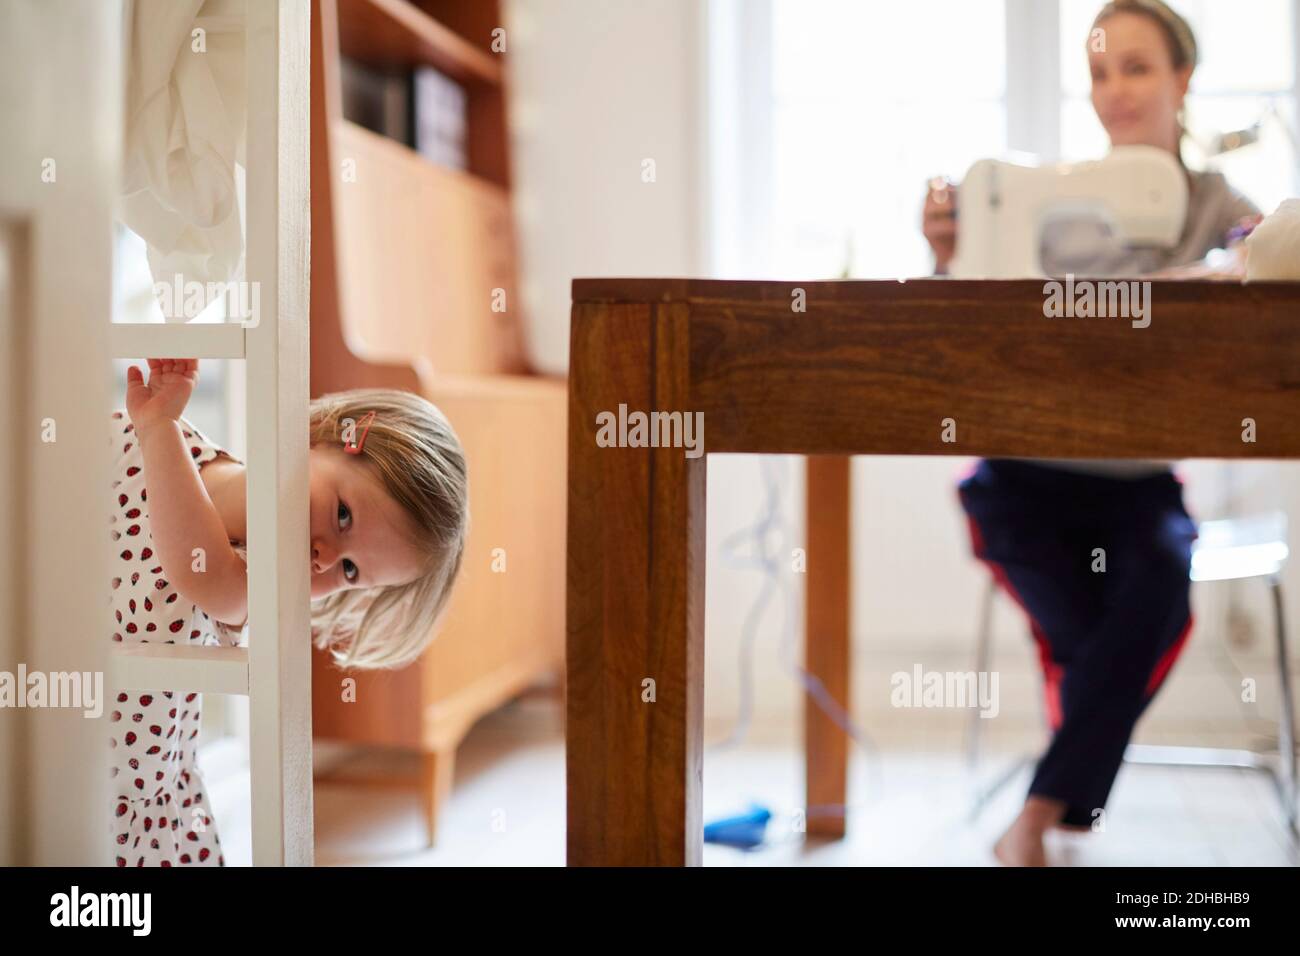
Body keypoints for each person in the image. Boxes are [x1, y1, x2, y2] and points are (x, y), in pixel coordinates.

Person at [920, 0, 1261, 866]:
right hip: (1021, 475)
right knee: (1106, 636)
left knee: (1152, 587)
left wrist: (1228, 270)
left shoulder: (1223, 205)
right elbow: (974, 329)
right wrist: (949, 259)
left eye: (1137, 68)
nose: (1115, 91)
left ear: (1184, 79)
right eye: (1101, 71)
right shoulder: (1048, 203)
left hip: (1136, 482)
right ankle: (1064, 798)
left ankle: (1037, 815)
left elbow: (1261, 283)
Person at [108, 358, 468, 865]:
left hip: (119, 785)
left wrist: (159, 427)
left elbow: (201, 573)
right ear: (323, 435)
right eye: (342, 515)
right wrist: (158, 425)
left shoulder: (245, 580)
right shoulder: (159, 437)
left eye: (347, 572)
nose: (324, 557)